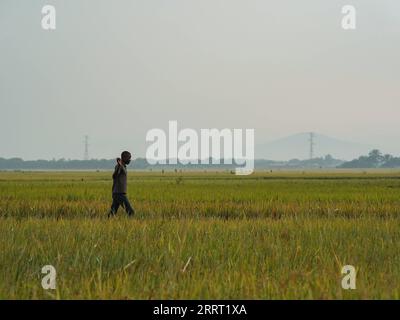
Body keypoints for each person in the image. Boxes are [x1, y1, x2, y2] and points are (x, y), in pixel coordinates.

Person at [108, 151, 135, 217]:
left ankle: (106, 222)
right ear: (124, 158)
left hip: (117, 193)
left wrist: (121, 165)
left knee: (113, 212)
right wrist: (120, 165)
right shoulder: (118, 166)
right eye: (129, 158)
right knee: (131, 212)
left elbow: (122, 172)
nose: (129, 160)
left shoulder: (123, 166)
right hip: (119, 194)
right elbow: (114, 176)